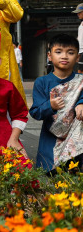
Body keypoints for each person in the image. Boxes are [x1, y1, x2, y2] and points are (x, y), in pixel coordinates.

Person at [29, 34, 83, 172]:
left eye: (70, 53)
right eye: (58, 52)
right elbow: (35, 112)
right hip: (51, 137)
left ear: (77, 57)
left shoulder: (81, 80)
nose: (64, 56)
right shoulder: (42, 82)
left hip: (77, 136)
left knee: (76, 173)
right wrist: (50, 106)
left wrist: (81, 103)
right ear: (49, 56)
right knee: (51, 175)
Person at [74, 3, 83, 74]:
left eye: (79, 13)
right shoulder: (81, 23)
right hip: (80, 50)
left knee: (80, 71)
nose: (78, 14)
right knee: (80, 70)